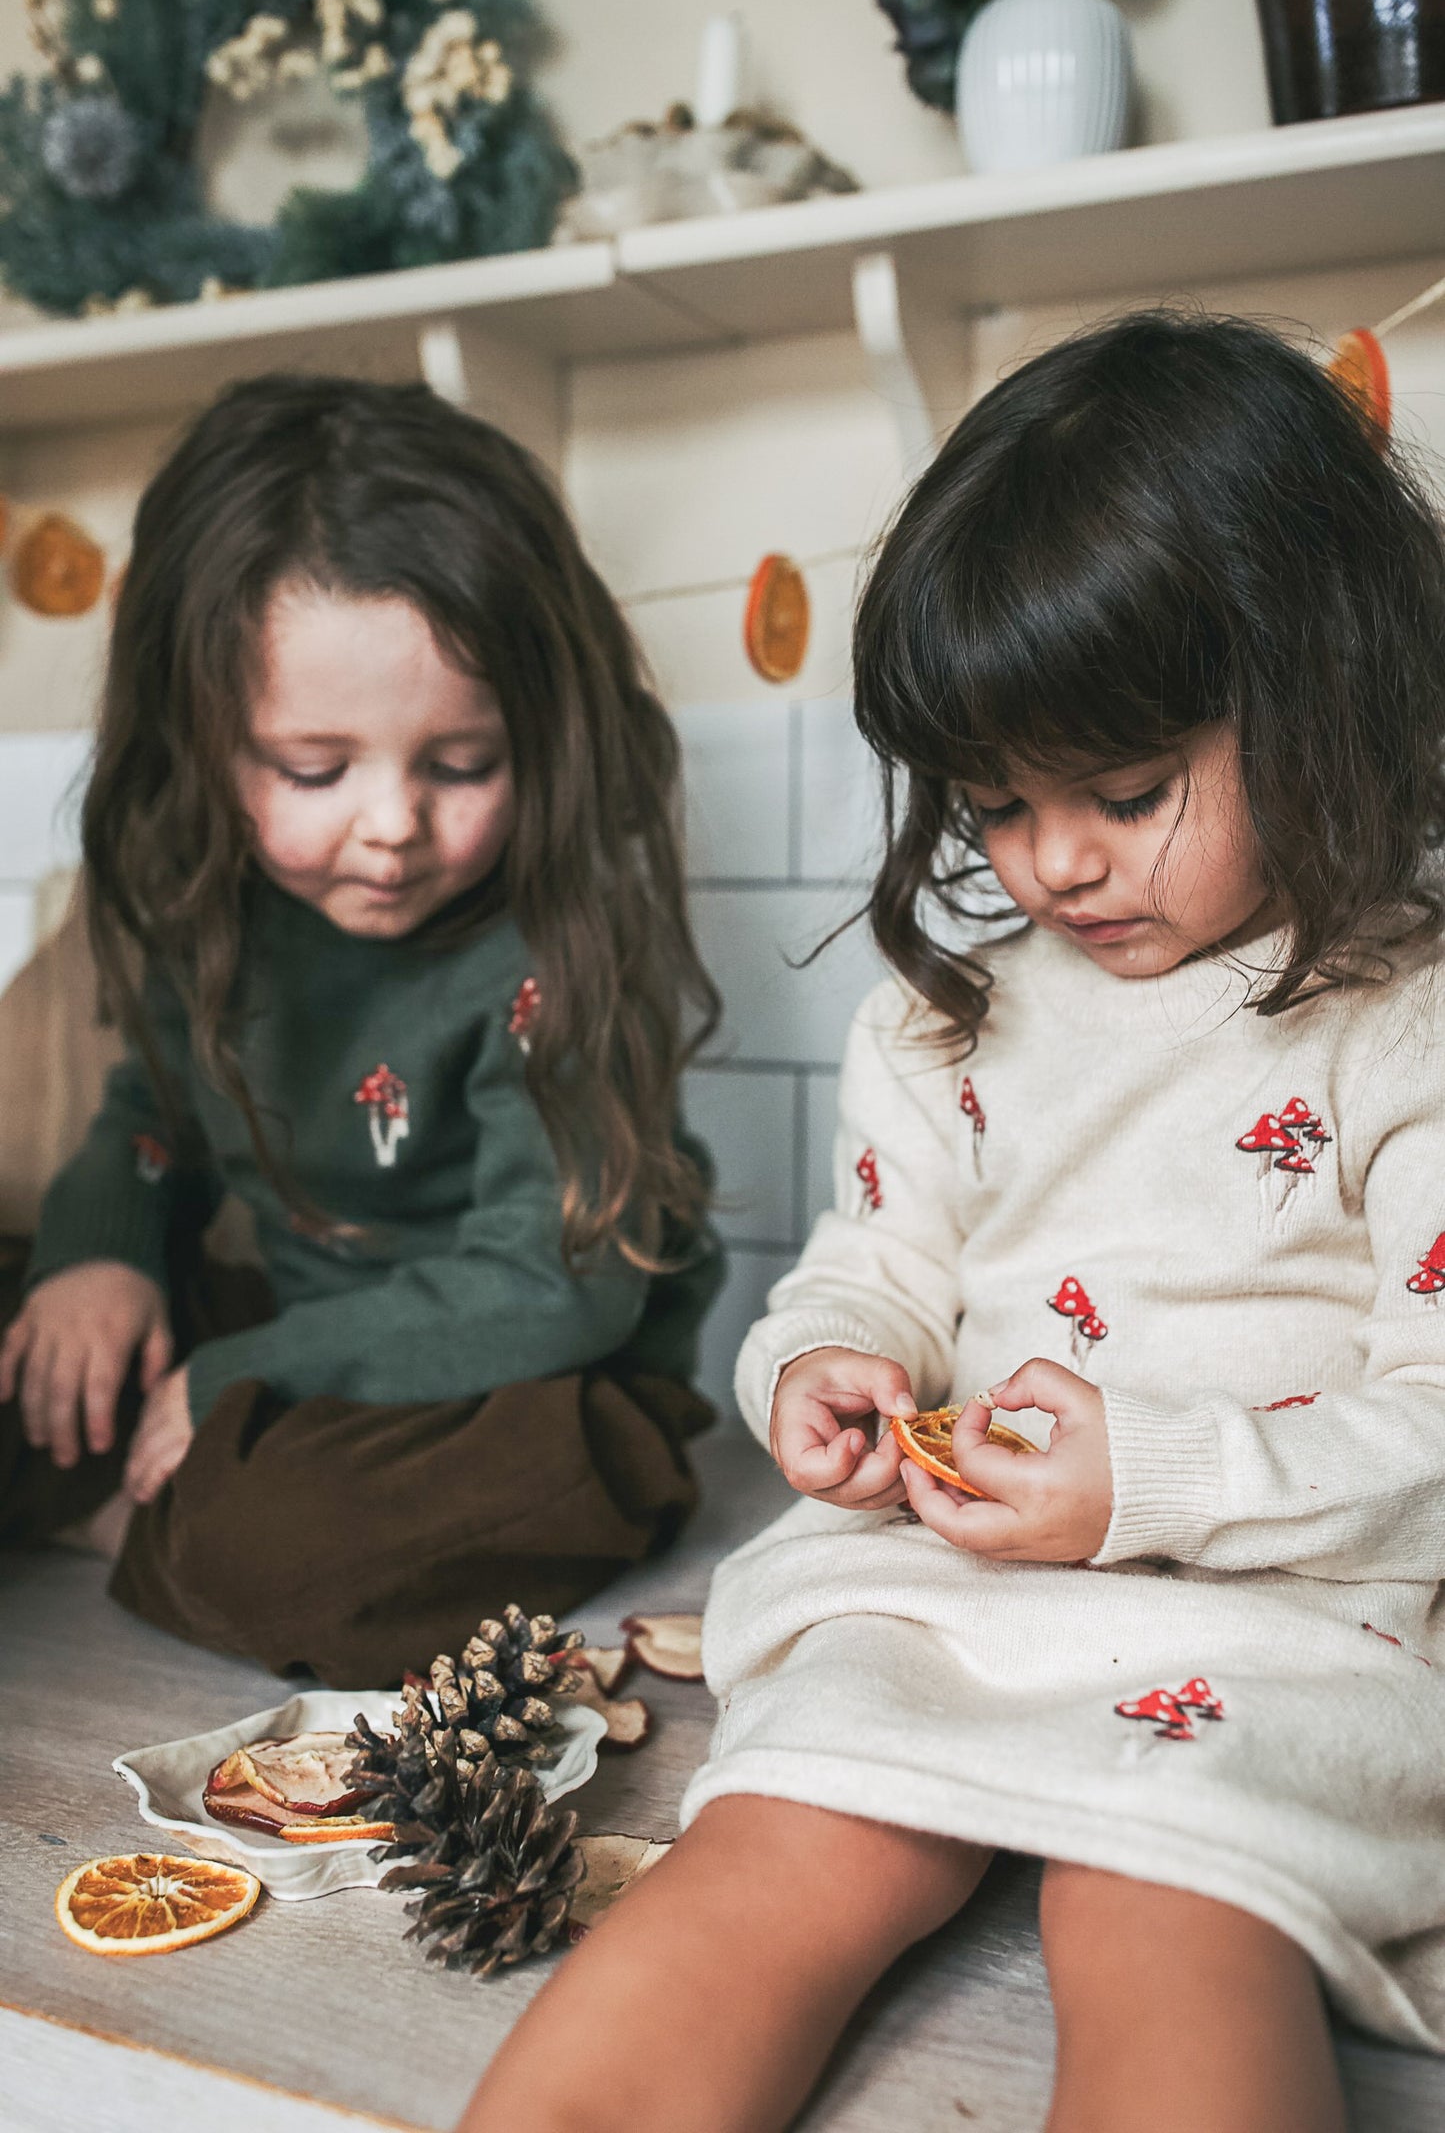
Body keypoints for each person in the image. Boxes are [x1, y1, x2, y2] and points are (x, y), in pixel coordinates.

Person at [461, 313, 1445, 2133]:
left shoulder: (1408, 1012)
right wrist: (824, 1362)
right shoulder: (947, 1016)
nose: (1054, 861)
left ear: (1324, 693)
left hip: (1283, 1607)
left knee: (1170, 1902)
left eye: (1126, 792)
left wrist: (1146, 1483)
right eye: (997, 803)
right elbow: (880, 1262)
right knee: (776, 1843)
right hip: (950, 1581)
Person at [0, 375, 723, 1686]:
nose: (391, 825)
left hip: (546, 1380)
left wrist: (241, 1375)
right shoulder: (212, 906)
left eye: (459, 766)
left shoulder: (549, 951)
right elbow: (149, 1123)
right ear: (207, 743)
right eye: (315, 770)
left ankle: (135, 1514)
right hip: (310, 1343)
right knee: (30, 1336)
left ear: (539, 742)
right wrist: (91, 1259)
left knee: (289, 1559)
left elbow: (550, 1286)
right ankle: (154, 1493)